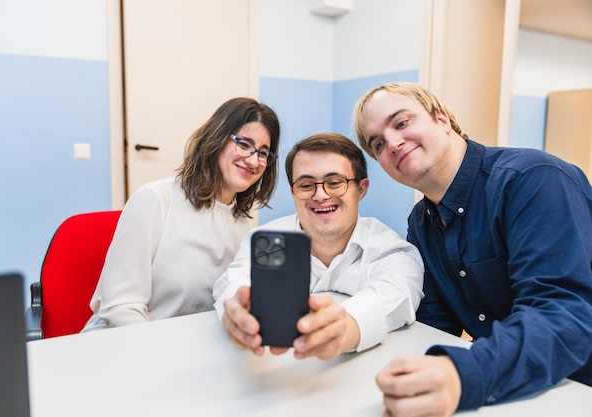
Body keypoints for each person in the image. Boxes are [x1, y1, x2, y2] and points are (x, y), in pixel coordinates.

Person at [352, 81, 592, 416]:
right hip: (505, 390)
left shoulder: (532, 180)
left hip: (575, 389)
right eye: (377, 144)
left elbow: (563, 319)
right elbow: (434, 322)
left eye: (401, 123)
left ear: (442, 118)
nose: (391, 143)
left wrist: (461, 375)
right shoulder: (422, 222)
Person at [213, 132, 424, 360]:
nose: (321, 195)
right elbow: (237, 280)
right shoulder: (267, 239)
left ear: (361, 189)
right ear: (294, 193)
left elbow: (395, 291)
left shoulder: (389, 249)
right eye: (306, 185)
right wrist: (240, 312)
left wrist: (346, 327)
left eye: (335, 183)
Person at [82, 97, 281, 331]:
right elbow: (120, 306)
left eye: (263, 153)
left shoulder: (243, 222)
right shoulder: (154, 199)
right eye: (244, 144)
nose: (253, 160)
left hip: (191, 347)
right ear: (216, 139)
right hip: (128, 341)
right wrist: (162, 357)